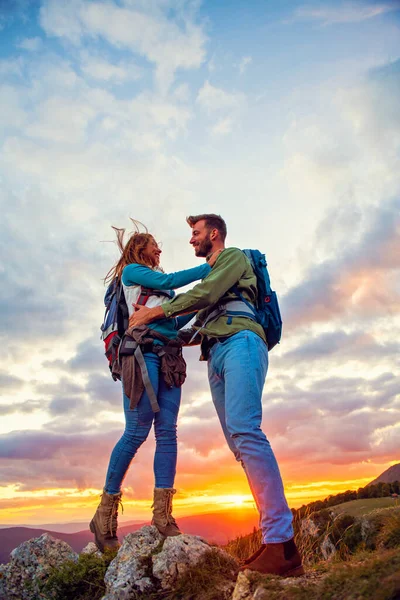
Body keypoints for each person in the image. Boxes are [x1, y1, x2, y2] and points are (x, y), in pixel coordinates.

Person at [130, 214, 304, 577]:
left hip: (241, 342)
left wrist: (155, 312)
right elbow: (194, 324)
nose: (191, 239)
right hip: (217, 354)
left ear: (213, 234)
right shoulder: (212, 275)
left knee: (246, 431)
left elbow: (204, 295)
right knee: (240, 445)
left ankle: (282, 544)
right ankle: (276, 542)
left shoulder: (233, 258)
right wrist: (150, 332)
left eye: (195, 233)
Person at [90, 222, 219, 552]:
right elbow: (168, 280)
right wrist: (210, 265)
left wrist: (201, 308)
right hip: (141, 354)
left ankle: (162, 517)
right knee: (135, 431)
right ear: (139, 249)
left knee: (168, 432)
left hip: (169, 357)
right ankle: (104, 515)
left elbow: (171, 320)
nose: (159, 250)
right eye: (154, 246)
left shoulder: (162, 293)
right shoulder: (132, 272)